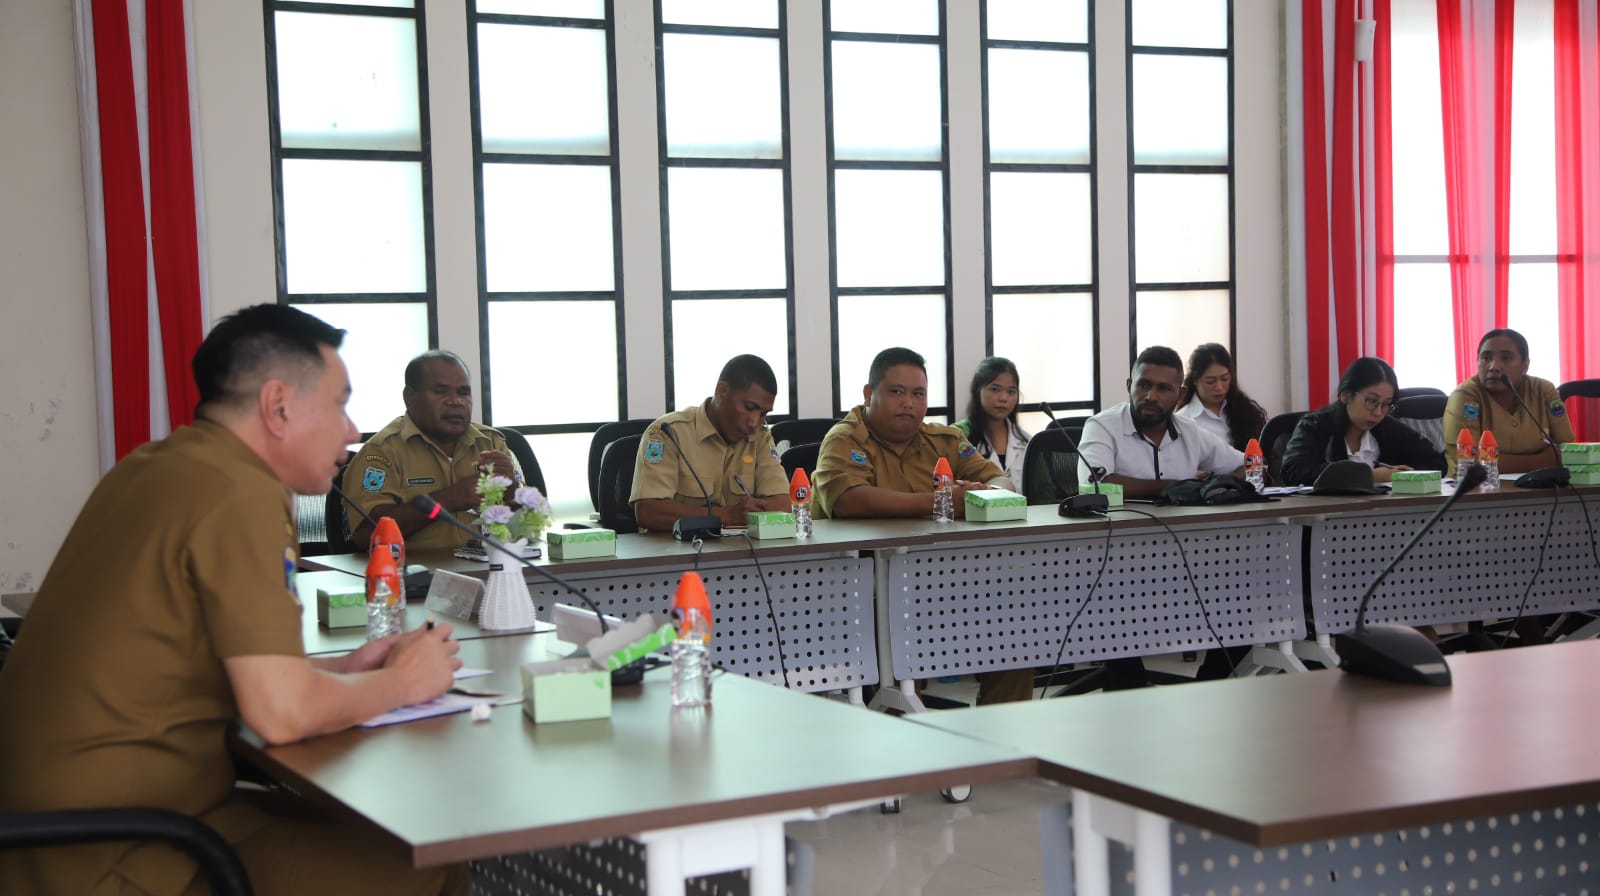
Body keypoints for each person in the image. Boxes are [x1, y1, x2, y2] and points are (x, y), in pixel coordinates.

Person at [0, 305, 465, 895]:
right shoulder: (238, 492)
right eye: (340, 403)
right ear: (277, 406)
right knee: (426, 859)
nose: (352, 430)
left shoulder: (158, 465)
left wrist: (334, 670)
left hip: (92, 821)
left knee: (414, 839)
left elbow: (191, 660)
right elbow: (281, 714)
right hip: (114, 849)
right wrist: (405, 684)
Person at [814, 348, 1027, 704]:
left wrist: (984, 493)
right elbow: (849, 501)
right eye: (897, 392)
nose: (909, 404)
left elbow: (1003, 483)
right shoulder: (845, 438)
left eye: (918, 394)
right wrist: (943, 502)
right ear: (870, 394)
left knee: (1014, 635)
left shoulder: (944, 441)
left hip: (944, 578)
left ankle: (1001, 739)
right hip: (863, 590)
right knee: (904, 667)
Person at [343, 350, 519, 552]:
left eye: (464, 392)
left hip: (492, 571)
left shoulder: (491, 443)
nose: (456, 401)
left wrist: (512, 489)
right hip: (415, 578)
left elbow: (530, 526)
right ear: (409, 397)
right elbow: (366, 535)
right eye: (441, 391)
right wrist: (448, 499)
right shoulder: (382, 452)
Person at [631, 354, 791, 532]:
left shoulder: (760, 438)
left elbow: (782, 506)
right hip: (674, 552)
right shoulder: (669, 433)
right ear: (722, 391)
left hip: (740, 552)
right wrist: (726, 515)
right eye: (750, 408)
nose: (754, 422)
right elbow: (649, 512)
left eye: (763, 414)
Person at [1077, 346, 1247, 499]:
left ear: (1180, 394)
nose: (1151, 396)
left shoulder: (1190, 432)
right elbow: (1092, 486)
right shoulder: (1102, 426)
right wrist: (1175, 486)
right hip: (1119, 530)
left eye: (1164, 388)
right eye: (1144, 385)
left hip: (1185, 530)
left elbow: (1250, 466)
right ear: (1129, 386)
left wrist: (1216, 487)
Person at [1281, 356, 1445, 486]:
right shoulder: (1315, 426)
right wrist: (1369, 476)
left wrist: (1405, 475)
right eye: (1372, 401)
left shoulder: (1388, 428)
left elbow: (1435, 462)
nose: (1378, 412)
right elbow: (1294, 471)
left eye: (1387, 404)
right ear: (1346, 395)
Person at [1443, 328, 1574, 473]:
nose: (1494, 367)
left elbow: (1568, 450)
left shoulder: (1544, 390)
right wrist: (1542, 461)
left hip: (1541, 488)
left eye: (1506, 358)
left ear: (1525, 366)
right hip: (1475, 491)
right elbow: (1469, 462)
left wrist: (1497, 460)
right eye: (1486, 358)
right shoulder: (1465, 396)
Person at [1176, 343, 1269, 452]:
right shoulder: (1184, 420)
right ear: (1195, 380)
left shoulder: (1246, 410)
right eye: (1210, 382)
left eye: (1224, 379)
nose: (1219, 387)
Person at [952, 356, 1031, 484]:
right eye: (995, 389)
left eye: (1011, 391)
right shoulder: (956, 435)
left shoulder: (1027, 441)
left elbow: (1044, 492)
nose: (1004, 398)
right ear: (978, 391)